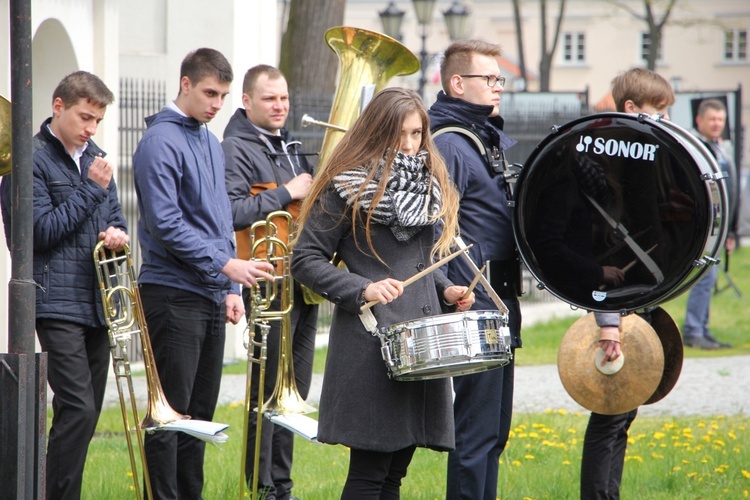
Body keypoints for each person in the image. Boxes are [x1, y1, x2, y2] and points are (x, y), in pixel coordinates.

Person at [291, 87, 475, 499]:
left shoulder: (429, 183)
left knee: (395, 474)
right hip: (371, 343)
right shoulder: (344, 186)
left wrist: (447, 290)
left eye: (416, 133)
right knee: (370, 473)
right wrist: (363, 287)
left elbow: (419, 262)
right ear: (377, 131)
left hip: (421, 343)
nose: (409, 145)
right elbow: (305, 260)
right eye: (399, 134)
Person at [132, 48, 274, 499]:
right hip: (171, 294)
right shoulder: (159, 140)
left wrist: (230, 286)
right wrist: (225, 265)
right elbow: (164, 223)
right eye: (210, 92)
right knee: (169, 418)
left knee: (198, 420)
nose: (217, 103)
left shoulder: (211, 142)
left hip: (210, 294)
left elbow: (220, 220)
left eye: (224, 95)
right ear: (186, 84)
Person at [0, 71, 127, 499]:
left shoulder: (98, 158)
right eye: (84, 117)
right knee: (78, 406)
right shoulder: (29, 159)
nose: (91, 130)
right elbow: (38, 233)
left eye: (97, 121)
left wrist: (117, 235)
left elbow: (117, 220)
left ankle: (56, 490)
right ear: (58, 106)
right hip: (53, 300)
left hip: (96, 301)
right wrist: (92, 190)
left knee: (85, 414)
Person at [427, 39, 522, 500]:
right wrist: (456, 288)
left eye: (500, 79)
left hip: (500, 297)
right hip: (475, 304)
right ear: (457, 83)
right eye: (490, 79)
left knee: (495, 434)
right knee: (475, 435)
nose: (498, 87)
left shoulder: (479, 138)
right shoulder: (448, 144)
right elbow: (432, 232)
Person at [579, 67, 676, 500]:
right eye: (660, 111)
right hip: (619, 295)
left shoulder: (644, 159)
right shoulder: (609, 160)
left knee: (625, 410)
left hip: (640, 288)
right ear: (632, 109)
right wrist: (608, 320)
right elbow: (606, 243)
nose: (667, 121)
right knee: (612, 411)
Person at [222, 64, 317, 499]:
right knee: (267, 391)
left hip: (302, 280)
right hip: (264, 280)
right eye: (269, 99)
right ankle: (262, 488)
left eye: (283, 99)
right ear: (247, 101)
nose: (279, 106)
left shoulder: (292, 147)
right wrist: (288, 192)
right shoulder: (235, 147)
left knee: (295, 391)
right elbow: (233, 213)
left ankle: (283, 486)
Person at [682, 98, 737, 350]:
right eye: (712, 119)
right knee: (704, 278)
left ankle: (702, 329)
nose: (717, 124)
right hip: (705, 227)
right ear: (699, 120)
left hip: (722, 226)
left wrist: (731, 230)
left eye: (721, 120)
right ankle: (693, 331)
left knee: (710, 277)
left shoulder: (722, 148)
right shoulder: (695, 149)